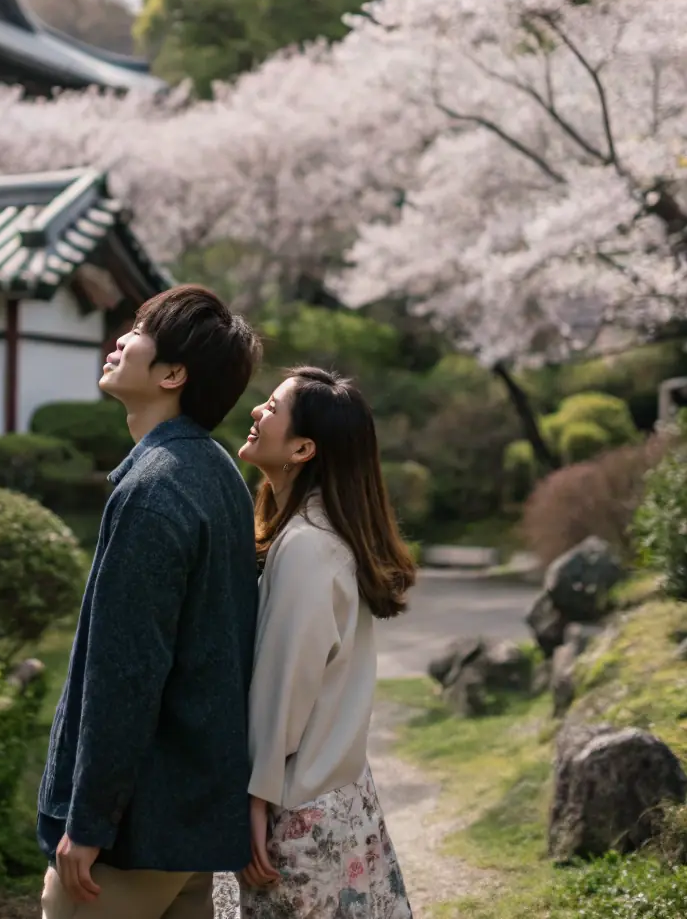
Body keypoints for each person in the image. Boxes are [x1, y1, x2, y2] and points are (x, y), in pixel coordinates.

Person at [38, 284, 262, 919]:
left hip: (134, 829)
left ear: (172, 374)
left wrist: (88, 822)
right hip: (191, 813)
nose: (119, 341)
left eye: (137, 332)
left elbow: (127, 671)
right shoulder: (217, 471)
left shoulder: (155, 488)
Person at [218, 366, 417, 919]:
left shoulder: (307, 545)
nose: (257, 412)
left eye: (272, 408)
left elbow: (284, 688)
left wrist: (254, 802)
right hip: (337, 797)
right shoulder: (321, 533)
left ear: (303, 447)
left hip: (296, 806)